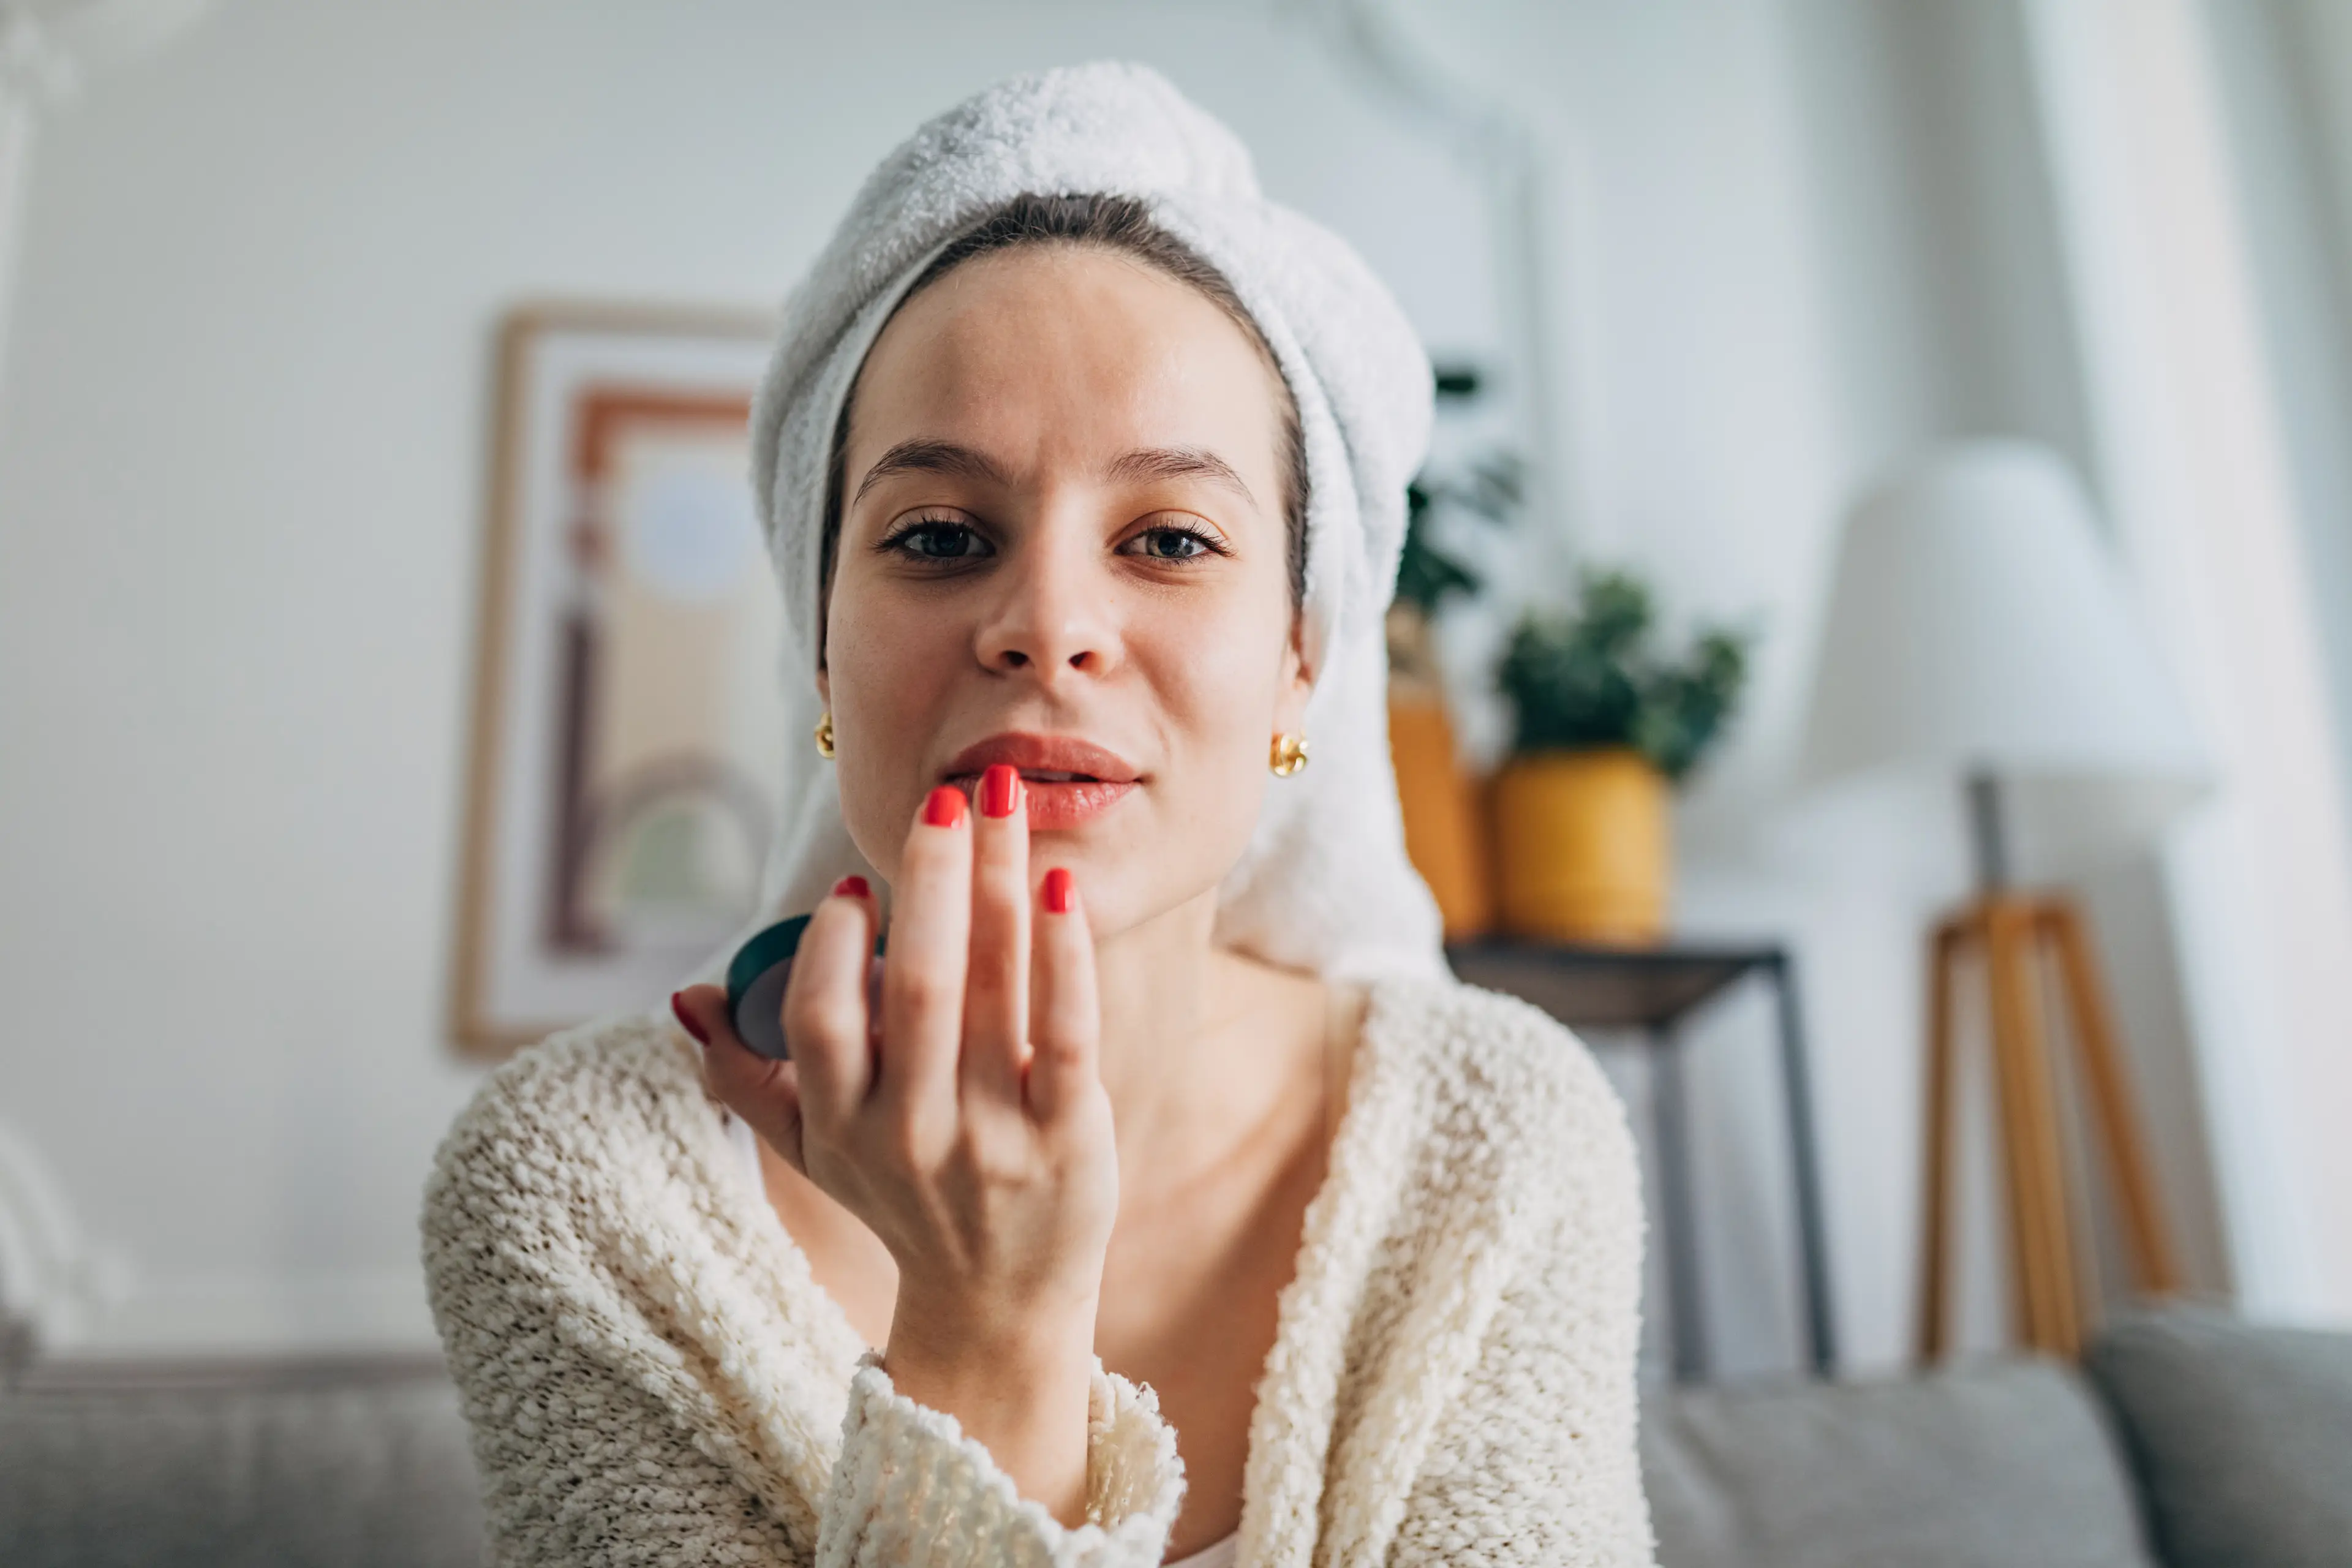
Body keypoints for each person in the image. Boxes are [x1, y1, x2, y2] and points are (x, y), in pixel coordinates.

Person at [421, 59, 1655, 1568]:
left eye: (1171, 538)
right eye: (941, 534)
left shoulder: (1494, 1143)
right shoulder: (584, 1184)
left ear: (1301, 659)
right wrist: (987, 1325)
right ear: (823, 649)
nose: (1047, 625)